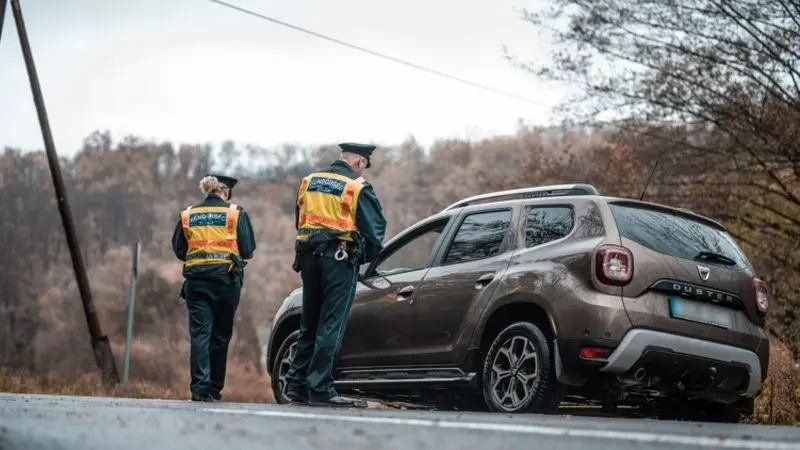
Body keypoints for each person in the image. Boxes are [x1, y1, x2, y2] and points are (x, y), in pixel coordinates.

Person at [284, 142, 387, 408]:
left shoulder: (309, 181)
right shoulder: (356, 187)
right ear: (360, 163)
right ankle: (320, 388)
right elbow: (375, 234)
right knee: (331, 324)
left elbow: (300, 220)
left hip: (308, 258)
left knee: (310, 323)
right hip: (339, 260)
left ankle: (296, 387)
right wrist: (361, 257)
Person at [171, 174, 257, 402]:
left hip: (197, 283)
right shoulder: (235, 213)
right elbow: (247, 249)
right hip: (226, 283)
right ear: (226, 192)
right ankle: (214, 389)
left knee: (200, 335)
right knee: (220, 336)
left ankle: (199, 389)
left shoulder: (188, 214)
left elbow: (180, 250)